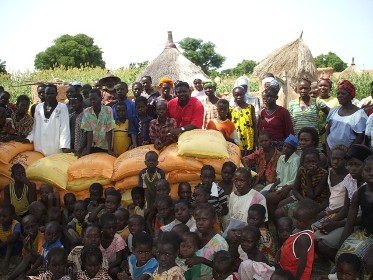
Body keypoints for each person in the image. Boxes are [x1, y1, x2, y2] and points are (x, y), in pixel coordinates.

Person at [337, 155, 373, 262]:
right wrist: (341, 245)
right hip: (366, 232)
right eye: (368, 170)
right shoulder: (358, 194)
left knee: (368, 261)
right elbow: (350, 223)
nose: (371, 173)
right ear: (362, 173)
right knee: (342, 256)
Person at [275, 147, 328, 219]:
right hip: (302, 198)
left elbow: (312, 196)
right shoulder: (301, 170)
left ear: (318, 161)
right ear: (303, 163)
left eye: (314, 162)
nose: (311, 165)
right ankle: (285, 227)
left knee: (284, 212)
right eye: (308, 162)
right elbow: (295, 189)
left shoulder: (323, 174)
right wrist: (302, 200)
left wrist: (308, 177)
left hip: (316, 202)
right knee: (279, 207)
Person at [185, 203, 228, 280]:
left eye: (204, 219)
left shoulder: (220, 243)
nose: (200, 223)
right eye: (198, 219)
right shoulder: (194, 235)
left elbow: (224, 268)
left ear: (213, 220)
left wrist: (202, 260)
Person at [278, 198, 319, 280]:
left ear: (311, 220)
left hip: (294, 275)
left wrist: (296, 279)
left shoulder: (304, 238)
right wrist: (279, 252)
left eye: (299, 220)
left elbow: (302, 263)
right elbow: (288, 242)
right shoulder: (300, 228)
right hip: (287, 269)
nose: (295, 221)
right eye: (294, 217)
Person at [27, 84, 71, 156]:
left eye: (51, 93)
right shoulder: (38, 107)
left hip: (55, 147)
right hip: (39, 146)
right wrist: (29, 138)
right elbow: (34, 127)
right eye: (47, 93)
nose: (49, 96)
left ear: (56, 94)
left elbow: (64, 128)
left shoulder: (62, 107)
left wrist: (64, 145)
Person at [326, 79, 367, 153]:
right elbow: (327, 131)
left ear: (351, 95)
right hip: (332, 151)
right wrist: (328, 150)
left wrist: (348, 152)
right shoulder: (333, 111)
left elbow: (360, 136)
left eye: (343, 93)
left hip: (348, 153)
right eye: (338, 94)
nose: (339, 96)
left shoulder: (359, 114)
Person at [264, 134, 300, 217]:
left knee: (269, 198)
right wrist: (273, 186)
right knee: (263, 195)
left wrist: (281, 189)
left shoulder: (296, 159)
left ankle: (275, 221)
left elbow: (293, 180)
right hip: (280, 186)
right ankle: (273, 221)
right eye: (284, 146)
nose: (285, 149)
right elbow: (279, 177)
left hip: (290, 188)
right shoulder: (281, 158)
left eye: (288, 147)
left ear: (294, 149)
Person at [225, 168, 267, 235]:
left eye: (242, 181)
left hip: (250, 234)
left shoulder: (259, 198)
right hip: (233, 231)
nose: (238, 183)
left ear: (249, 181)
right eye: (236, 180)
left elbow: (262, 223)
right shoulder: (232, 195)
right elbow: (231, 218)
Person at [80, 88, 116, 156]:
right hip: (92, 147)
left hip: (105, 147)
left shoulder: (108, 110)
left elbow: (109, 130)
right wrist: (88, 149)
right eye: (91, 99)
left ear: (101, 98)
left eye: (95, 99)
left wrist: (109, 149)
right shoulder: (86, 112)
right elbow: (88, 131)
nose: (93, 101)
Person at [258, 81, 294, 149]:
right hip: (266, 146)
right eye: (267, 96)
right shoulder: (262, 112)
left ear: (276, 97)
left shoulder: (283, 112)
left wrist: (289, 147)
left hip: (279, 146)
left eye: (272, 96)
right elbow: (261, 130)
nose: (269, 98)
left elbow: (289, 131)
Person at [7, 214, 44, 280]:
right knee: (23, 259)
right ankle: (21, 276)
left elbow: (40, 257)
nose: (31, 229)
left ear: (37, 225)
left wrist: (27, 248)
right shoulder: (28, 239)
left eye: (32, 226)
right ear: (24, 229)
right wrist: (25, 247)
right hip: (34, 264)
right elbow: (24, 256)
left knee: (29, 257)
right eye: (27, 228)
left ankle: (10, 278)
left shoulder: (41, 237)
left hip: (44, 263)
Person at [230, 86, 257, 155]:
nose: (239, 97)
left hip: (249, 140)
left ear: (244, 94)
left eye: (241, 94)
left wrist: (255, 141)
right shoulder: (231, 109)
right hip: (236, 141)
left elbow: (254, 125)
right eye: (236, 95)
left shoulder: (250, 107)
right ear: (233, 95)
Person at [99, 213, 126, 279]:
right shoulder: (97, 237)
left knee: (115, 271)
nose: (112, 230)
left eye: (114, 227)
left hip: (111, 265)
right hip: (97, 264)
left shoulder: (118, 239)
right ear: (102, 227)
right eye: (108, 228)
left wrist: (105, 268)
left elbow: (118, 260)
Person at [316, 77, 339, 147]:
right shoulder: (313, 100)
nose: (322, 88)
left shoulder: (336, 101)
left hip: (330, 136)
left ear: (330, 88)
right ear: (317, 87)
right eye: (320, 85)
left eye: (326, 86)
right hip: (314, 137)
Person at [0, 205, 22, 271]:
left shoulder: (16, 224)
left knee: (11, 238)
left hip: (14, 250)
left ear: (12, 217)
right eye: (0, 215)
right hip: (3, 249)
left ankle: (6, 261)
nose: (1, 218)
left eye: (4, 216)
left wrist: (2, 244)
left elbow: (15, 236)